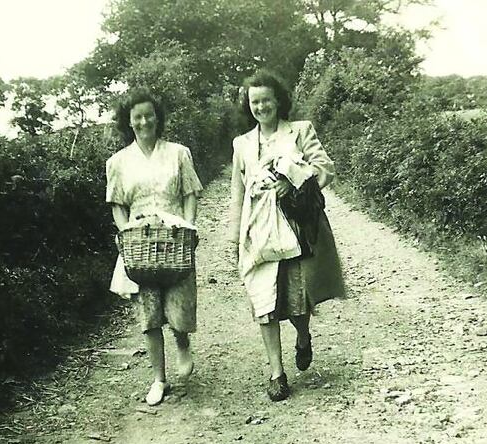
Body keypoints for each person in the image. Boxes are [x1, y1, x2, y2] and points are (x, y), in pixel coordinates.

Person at [228, 70, 346, 401]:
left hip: (293, 228)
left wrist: (293, 179)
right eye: (255, 101)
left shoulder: (300, 131)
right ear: (248, 105)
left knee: (296, 302)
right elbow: (237, 194)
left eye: (266, 99)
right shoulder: (242, 144)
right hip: (257, 231)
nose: (261, 106)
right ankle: (276, 374)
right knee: (263, 301)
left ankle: (303, 335)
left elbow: (325, 169)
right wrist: (233, 238)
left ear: (279, 100)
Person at [105, 88, 203, 406]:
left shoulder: (178, 153)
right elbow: (118, 205)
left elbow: (189, 193)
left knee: (178, 305)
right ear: (129, 122)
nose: (144, 121)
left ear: (158, 119)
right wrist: (126, 233)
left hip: (174, 237)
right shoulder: (118, 162)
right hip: (140, 241)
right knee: (148, 315)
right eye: (137, 117)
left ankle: (182, 342)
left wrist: (188, 227)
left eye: (149, 115)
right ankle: (159, 379)